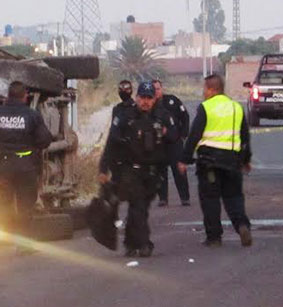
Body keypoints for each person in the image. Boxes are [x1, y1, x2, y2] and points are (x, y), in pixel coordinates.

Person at [98, 81, 179, 257]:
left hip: (154, 171)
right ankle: (144, 243)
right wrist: (103, 168)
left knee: (140, 208)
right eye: (142, 97)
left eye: (149, 98)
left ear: (154, 99)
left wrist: (166, 134)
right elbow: (112, 143)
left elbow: (175, 138)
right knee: (138, 206)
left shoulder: (162, 116)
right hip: (130, 170)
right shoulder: (125, 116)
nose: (145, 102)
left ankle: (130, 243)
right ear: (137, 97)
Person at [178, 74, 253, 247]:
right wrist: (246, 159)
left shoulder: (206, 107)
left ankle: (214, 237)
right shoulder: (236, 107)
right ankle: (242, 225)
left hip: (209, 163)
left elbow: (194, 134)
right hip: (232, 163)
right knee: (234, 198)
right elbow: (244, 137)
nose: (203, 92)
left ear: (212, 89)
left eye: (205, 89)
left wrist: (184, 158)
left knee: (210, 199)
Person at [0, 81, 53, 255]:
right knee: (25, 206)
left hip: (3, 165)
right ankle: (23, 245)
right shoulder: (32, 115)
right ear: (25, 96)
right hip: (26, 165)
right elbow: (45, 140)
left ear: (8, 96)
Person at [152, 79, 191, 207]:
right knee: (160, 172)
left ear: (161, 89)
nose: (156, 92)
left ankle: (185, 198)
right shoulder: (149, 105)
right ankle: (163, 198)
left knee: (179, 171)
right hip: (158, 144)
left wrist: (183, 135)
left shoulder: (172, 101)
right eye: (153, 90)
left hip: (174, 142)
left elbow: (185, 117)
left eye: (158, 89)